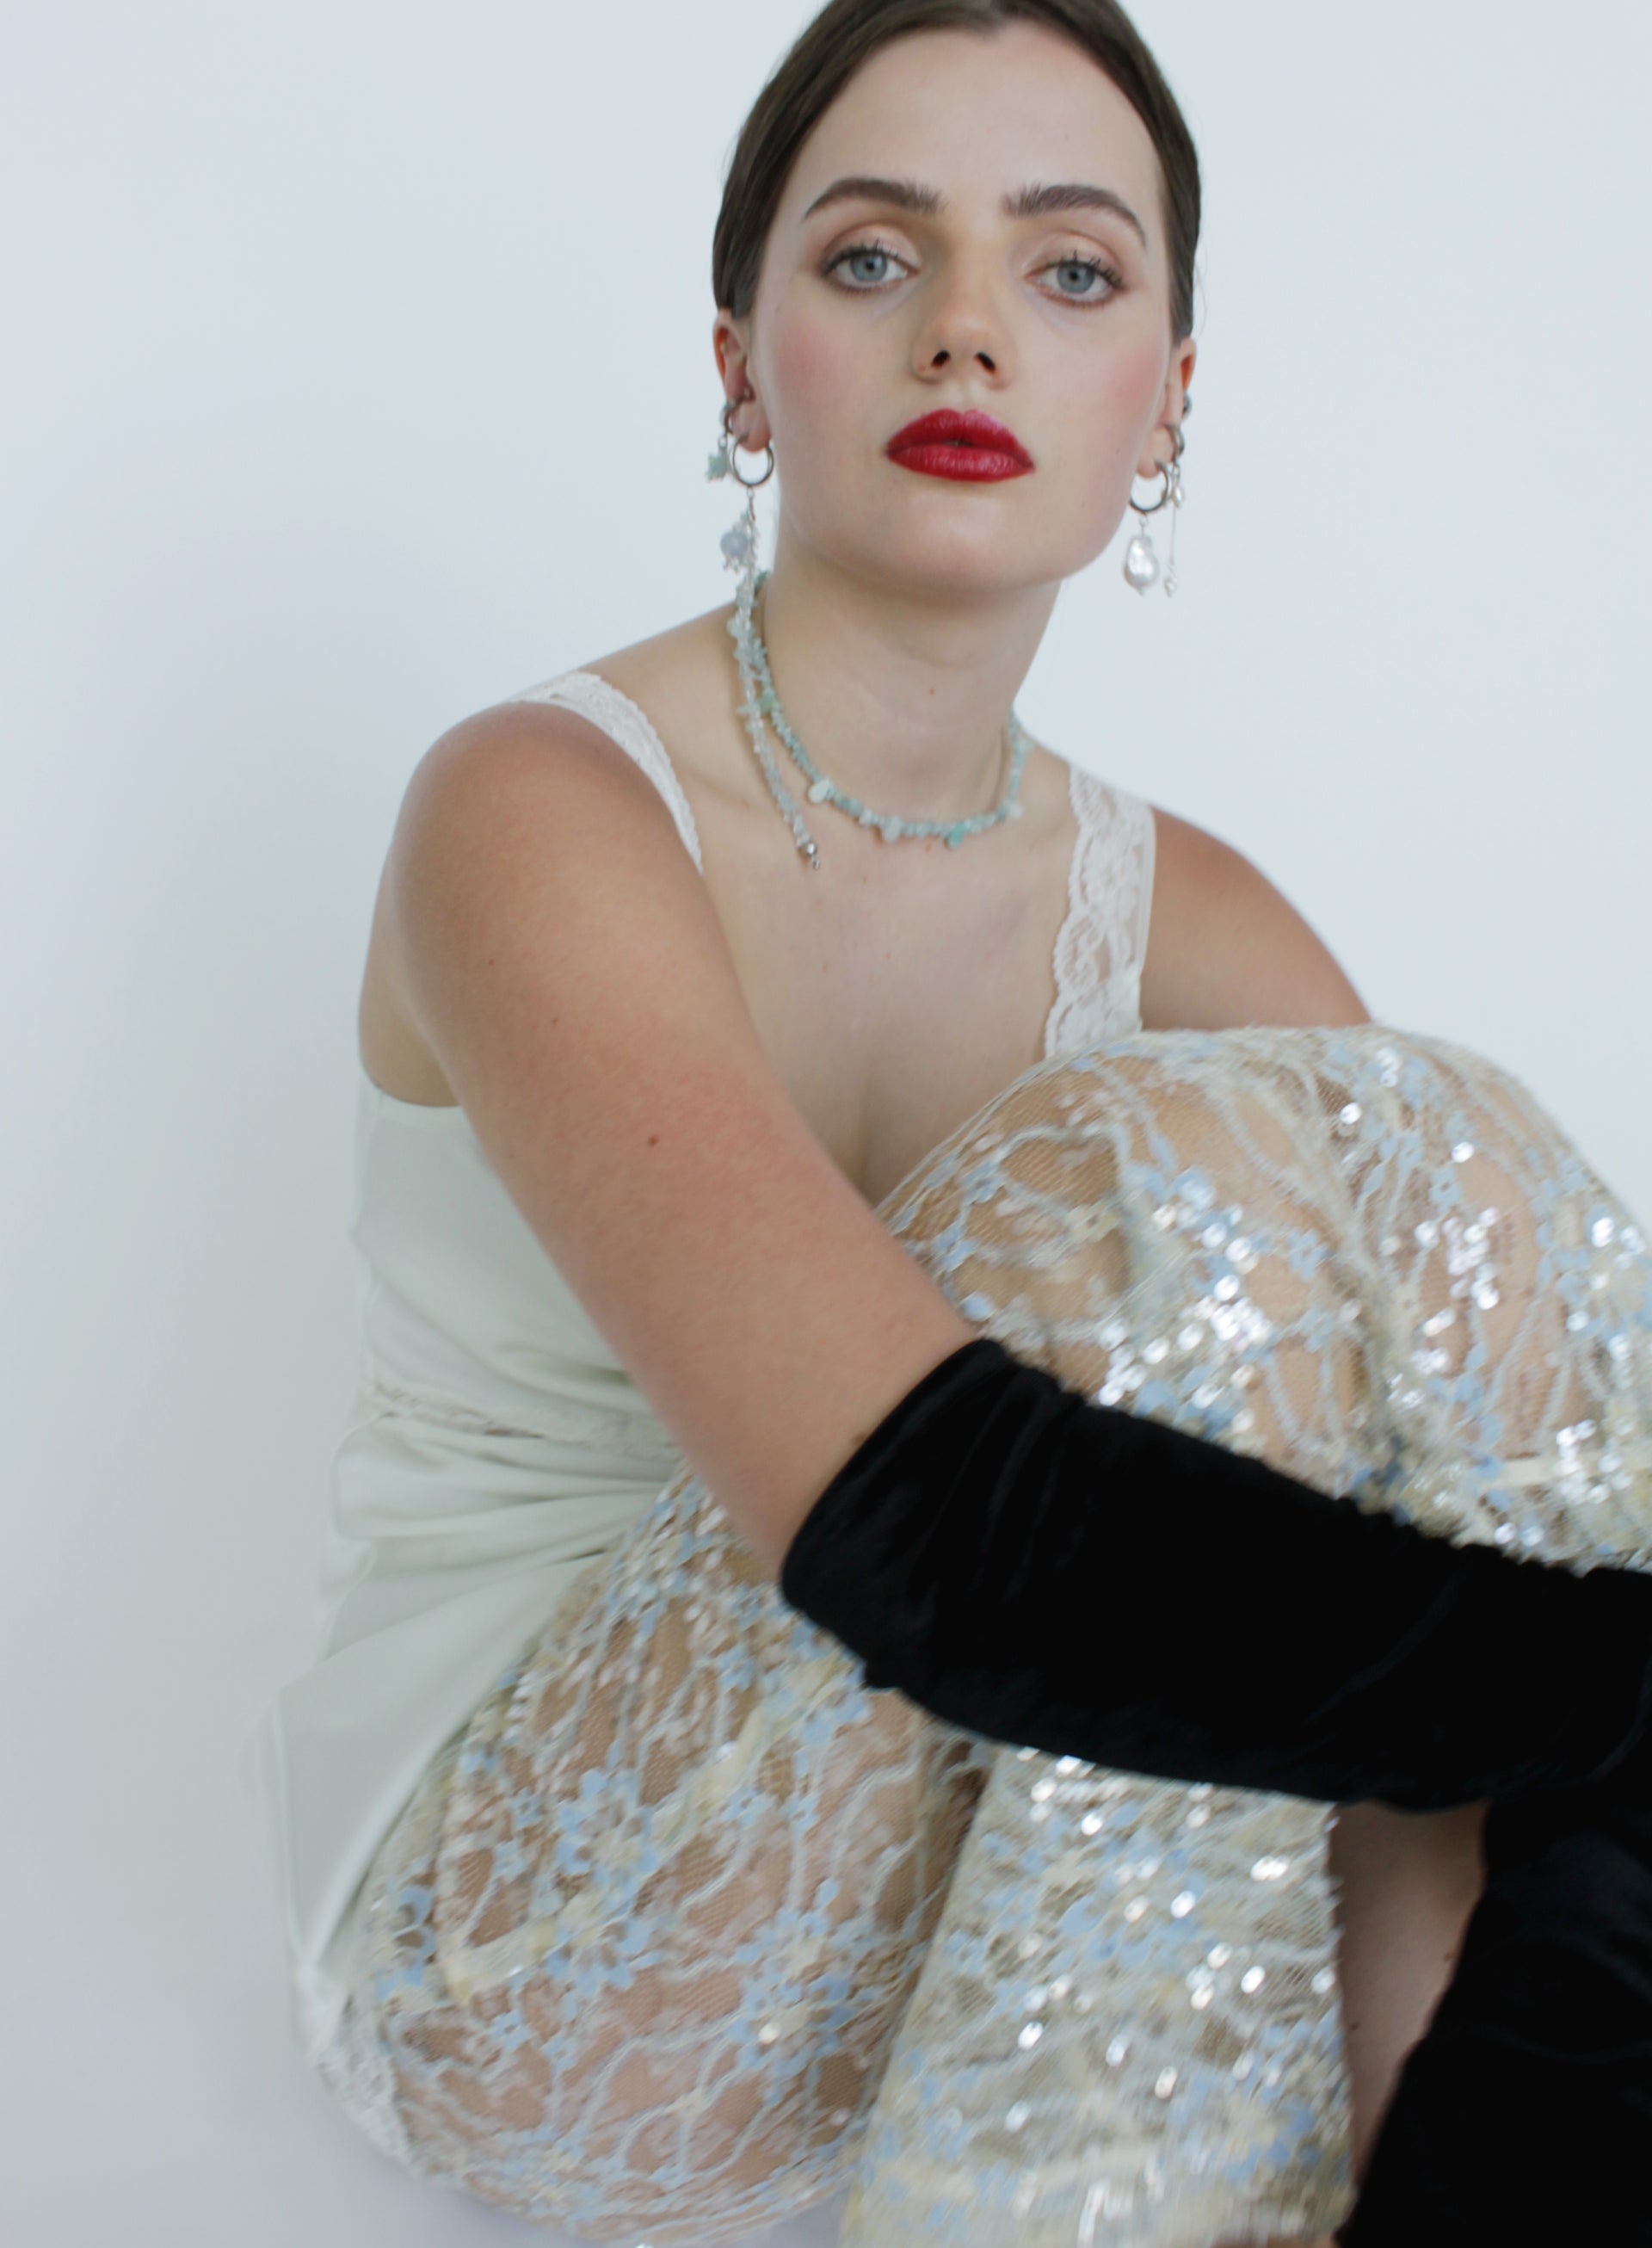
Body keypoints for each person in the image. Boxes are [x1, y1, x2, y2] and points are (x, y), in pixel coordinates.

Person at [244, 5, 1652, 2244]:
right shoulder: (538, 805)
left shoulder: (1187, 907)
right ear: (742, 366)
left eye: (1073, 273)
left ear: (1169, 402)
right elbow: (925, 1527)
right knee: (1189, 1176)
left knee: (1438, 1157)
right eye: (876, 259)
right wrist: (1615, 1680)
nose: (972, 331)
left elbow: (1457, 1523)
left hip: (963, 1952)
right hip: (531, 1957)